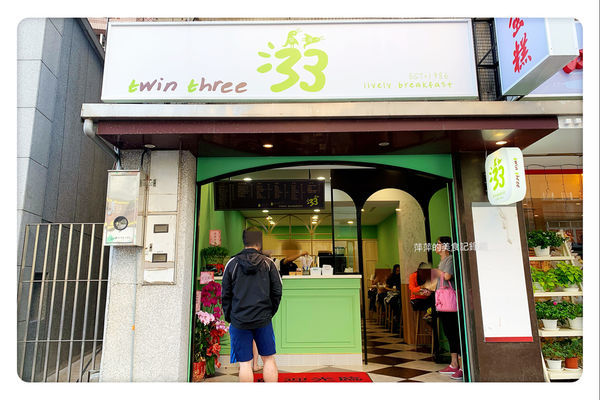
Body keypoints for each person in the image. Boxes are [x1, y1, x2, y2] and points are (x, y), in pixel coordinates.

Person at [222, 230, 282, 382]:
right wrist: (269, 312)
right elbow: (277, 291)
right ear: (259, 243)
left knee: (245, 364)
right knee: (268, 359)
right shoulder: (268, 263)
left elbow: (225, 294)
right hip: (263, 319)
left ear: (244, 242)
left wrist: (231, 317)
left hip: (239, 320)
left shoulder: (232, 263)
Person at [434, 236, 463, 381]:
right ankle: (453, 364)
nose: (436, 246)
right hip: (443, 302)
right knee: (449, 333)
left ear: (446, 246)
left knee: (455, 333)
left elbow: (447, 276)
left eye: (438, 243)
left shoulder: (450, 259)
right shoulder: (441, 261)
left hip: (450, 302)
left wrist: (435, 272)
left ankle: (462, 367)